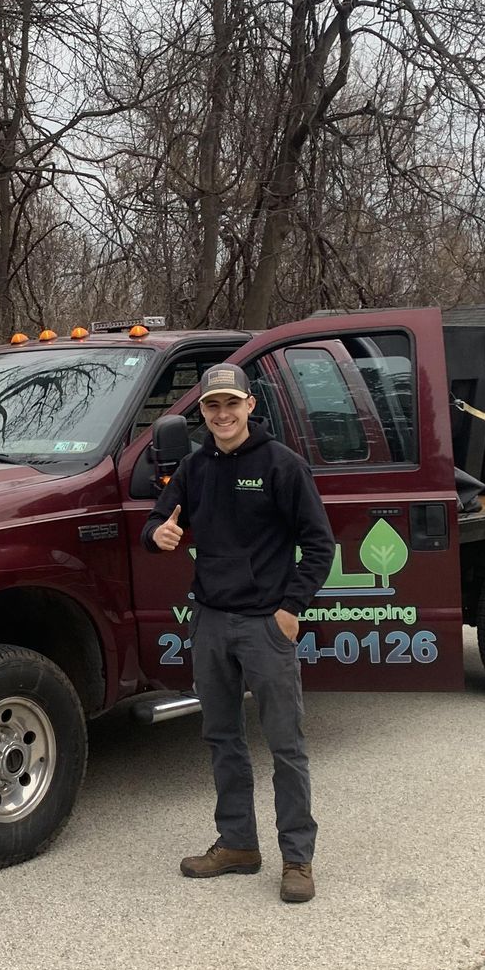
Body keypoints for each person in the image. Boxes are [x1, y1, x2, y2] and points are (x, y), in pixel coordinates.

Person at [143, 362, 334, 902]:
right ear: (201, 412)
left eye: (231, 403)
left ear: (251, 406)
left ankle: (297, 857)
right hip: (210, 622)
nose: (222, 414)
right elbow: (155, 520)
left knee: (285, 744)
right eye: (211, 406)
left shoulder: (282, 465)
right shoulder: (195, 467)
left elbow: (320, 545)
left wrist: (291, 608)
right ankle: (238, 844)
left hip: (265, 625)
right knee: (221, 738)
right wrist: (159, 532)